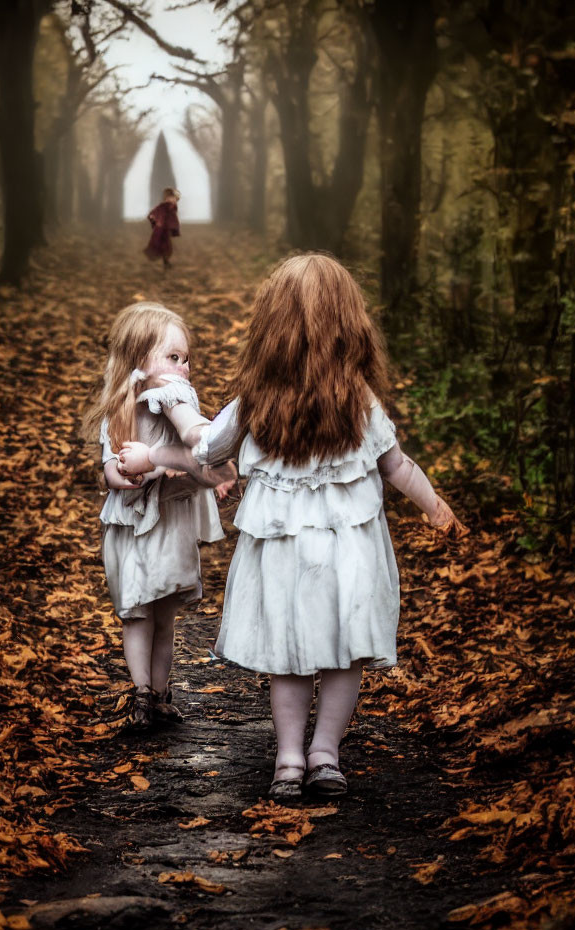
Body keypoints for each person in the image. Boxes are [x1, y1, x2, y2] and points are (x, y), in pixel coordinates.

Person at [118, 255, 466, 794]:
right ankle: (325, 752)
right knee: (344, 651)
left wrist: (163, 428)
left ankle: (287, 760)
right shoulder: (360, 400)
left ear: (271, 330)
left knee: (290, 655)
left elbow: (208, 447)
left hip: (281, 549)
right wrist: (434, 506)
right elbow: (396, 465)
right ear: (350, 326)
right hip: (350, 548)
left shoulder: (256, 400)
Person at [83, 301, 237, 729]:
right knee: (135, 611)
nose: (183, 367)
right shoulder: (121, 406)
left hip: (168, 520)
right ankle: (142, 694)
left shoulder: (172, 399)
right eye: (173, 357)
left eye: (186, 359)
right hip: (130, 523)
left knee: (164, 615)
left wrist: (210, 463)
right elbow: (109, 465)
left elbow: (193, 440)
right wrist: (119, 475)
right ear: (138, 360)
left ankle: (161, 691)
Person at [145, 187, 181, 268]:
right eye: (171, 197)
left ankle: (166, 262)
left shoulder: (171, 207)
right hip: (161, 229)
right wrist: (155, 223)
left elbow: (172, 218)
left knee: (166, 246)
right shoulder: (163, 206)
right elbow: (151, 215)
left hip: (165, 229)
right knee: (164, 245)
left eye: (174, 198)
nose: (173, 199)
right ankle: (166, 262)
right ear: (167, 198)